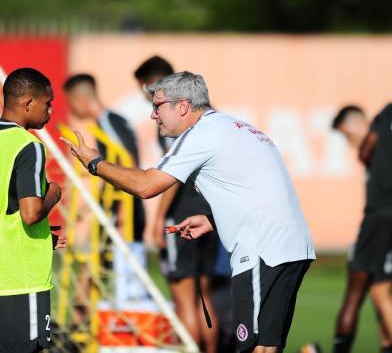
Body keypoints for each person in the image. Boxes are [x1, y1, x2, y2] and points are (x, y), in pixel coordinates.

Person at [61, 71, 316, 353]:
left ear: (182, 106)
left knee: (254, 347)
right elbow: (258, 191)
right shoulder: (238, 127)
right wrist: (212, 220)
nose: (152, 116)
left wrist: (95, 163)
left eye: (157, 106)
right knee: (267, 346)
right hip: (293, 246)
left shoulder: (200, 133)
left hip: (261, 250)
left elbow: (147, 186)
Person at [134, 56, 220, 353]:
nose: (153, 110)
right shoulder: (205, 118)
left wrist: (158, 220)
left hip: (182, 216)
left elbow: (172, 178)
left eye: (152, 99)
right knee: (202, 296)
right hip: (209, 213)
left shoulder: (176, 124)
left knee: (184, 296)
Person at [63, 74, 147, 306]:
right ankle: (81, 326)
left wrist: (122, 209)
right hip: (117, 205)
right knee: (92, 269)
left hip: (121, 207)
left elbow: (127, 159)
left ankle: (80, 328)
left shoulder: (108, 121)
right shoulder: (113, 120)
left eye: (69, 101)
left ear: (78, 98)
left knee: (99, 270)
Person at [0, 67, 66, 352]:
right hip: (20, 282)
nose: (50, 110)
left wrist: (42, 239)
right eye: (47, 103)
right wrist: (53, 194)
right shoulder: (29, 146)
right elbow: (29, 213)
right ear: (28, 103)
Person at [328, 105, 392, 353]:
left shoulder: (384, 115)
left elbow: (365, 153)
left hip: (379, 216)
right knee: (381, 289)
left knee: (355, 291)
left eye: (346, 134)